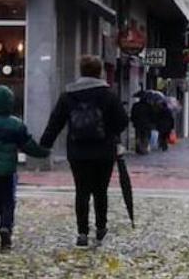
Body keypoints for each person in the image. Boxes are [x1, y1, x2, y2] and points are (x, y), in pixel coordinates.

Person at [41, 56, 129, 249]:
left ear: (81, 71)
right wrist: (110, 131)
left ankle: (82, 232)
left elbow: (56, 122)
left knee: (81, 191)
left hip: (78, 150)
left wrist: (44, 145)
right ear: (100, 72)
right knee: (100, 191)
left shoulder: (68, 95)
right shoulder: (108, 95)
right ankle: (100, 228)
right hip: (104, 150)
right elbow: (122, 121)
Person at [0, 85, 50, 251]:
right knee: (7, 201)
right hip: (7, 171)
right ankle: (6, 226)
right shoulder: (16, 125)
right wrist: (43, 152)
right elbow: (28, 145)